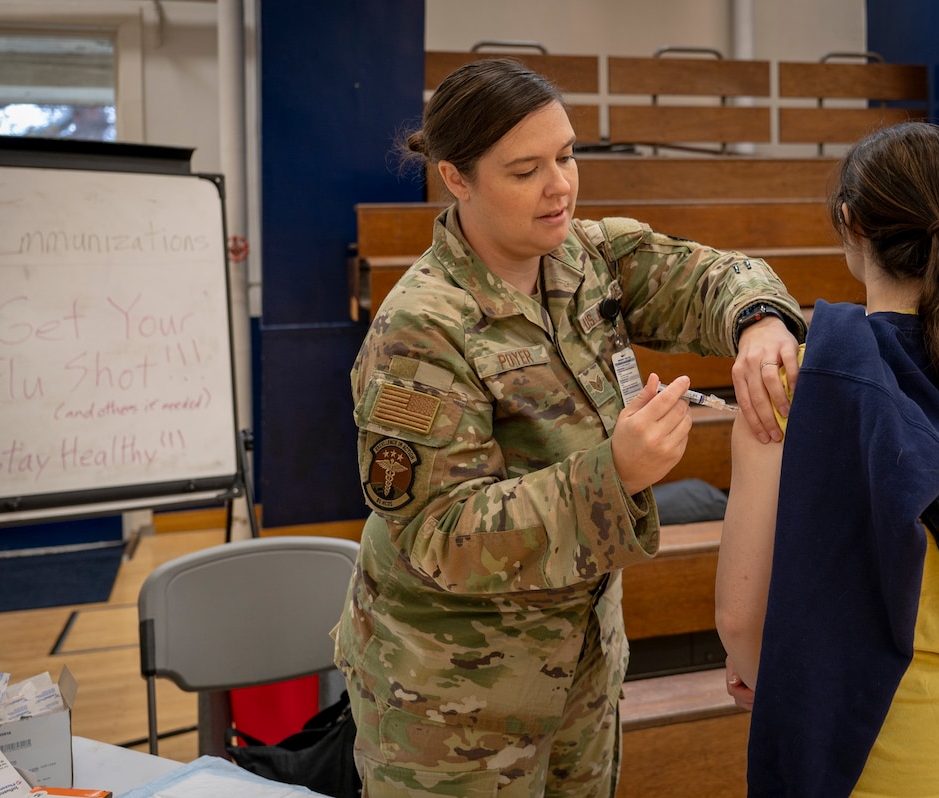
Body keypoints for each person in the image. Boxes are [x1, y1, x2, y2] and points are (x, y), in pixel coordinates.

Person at [332, 57, 806, 797]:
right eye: (525, 170)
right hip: (452, 706)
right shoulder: (420, 332)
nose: (561, 185)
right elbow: (437, 535)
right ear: (457, 178)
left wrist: (761, 323)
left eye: (568, 154)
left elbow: (705, 276)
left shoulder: (587, 257)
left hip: (578, 668)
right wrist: (612, 475)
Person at [714, 121, 939, 798]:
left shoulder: (791, 384)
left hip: (882, 759)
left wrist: (758, 669)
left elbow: (740, 617)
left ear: (850, 221)